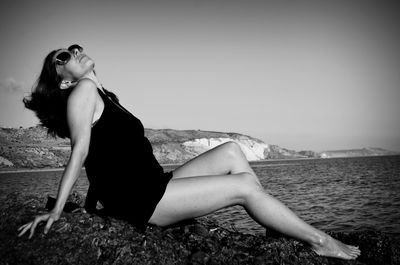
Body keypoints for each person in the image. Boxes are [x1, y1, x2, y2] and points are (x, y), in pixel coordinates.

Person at [18, 44, 360, 260]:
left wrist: (94, 201)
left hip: (153, 184)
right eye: (63, 58)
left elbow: (106, 158)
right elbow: (80, 151)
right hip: (141, 200)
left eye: (73, 48)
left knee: (231, 151)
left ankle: (277, 225)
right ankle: (320, 241)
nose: (73, 53)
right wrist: (58, 212)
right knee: (243, 187)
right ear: (63, 80)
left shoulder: (103, 95)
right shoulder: (82, 93)